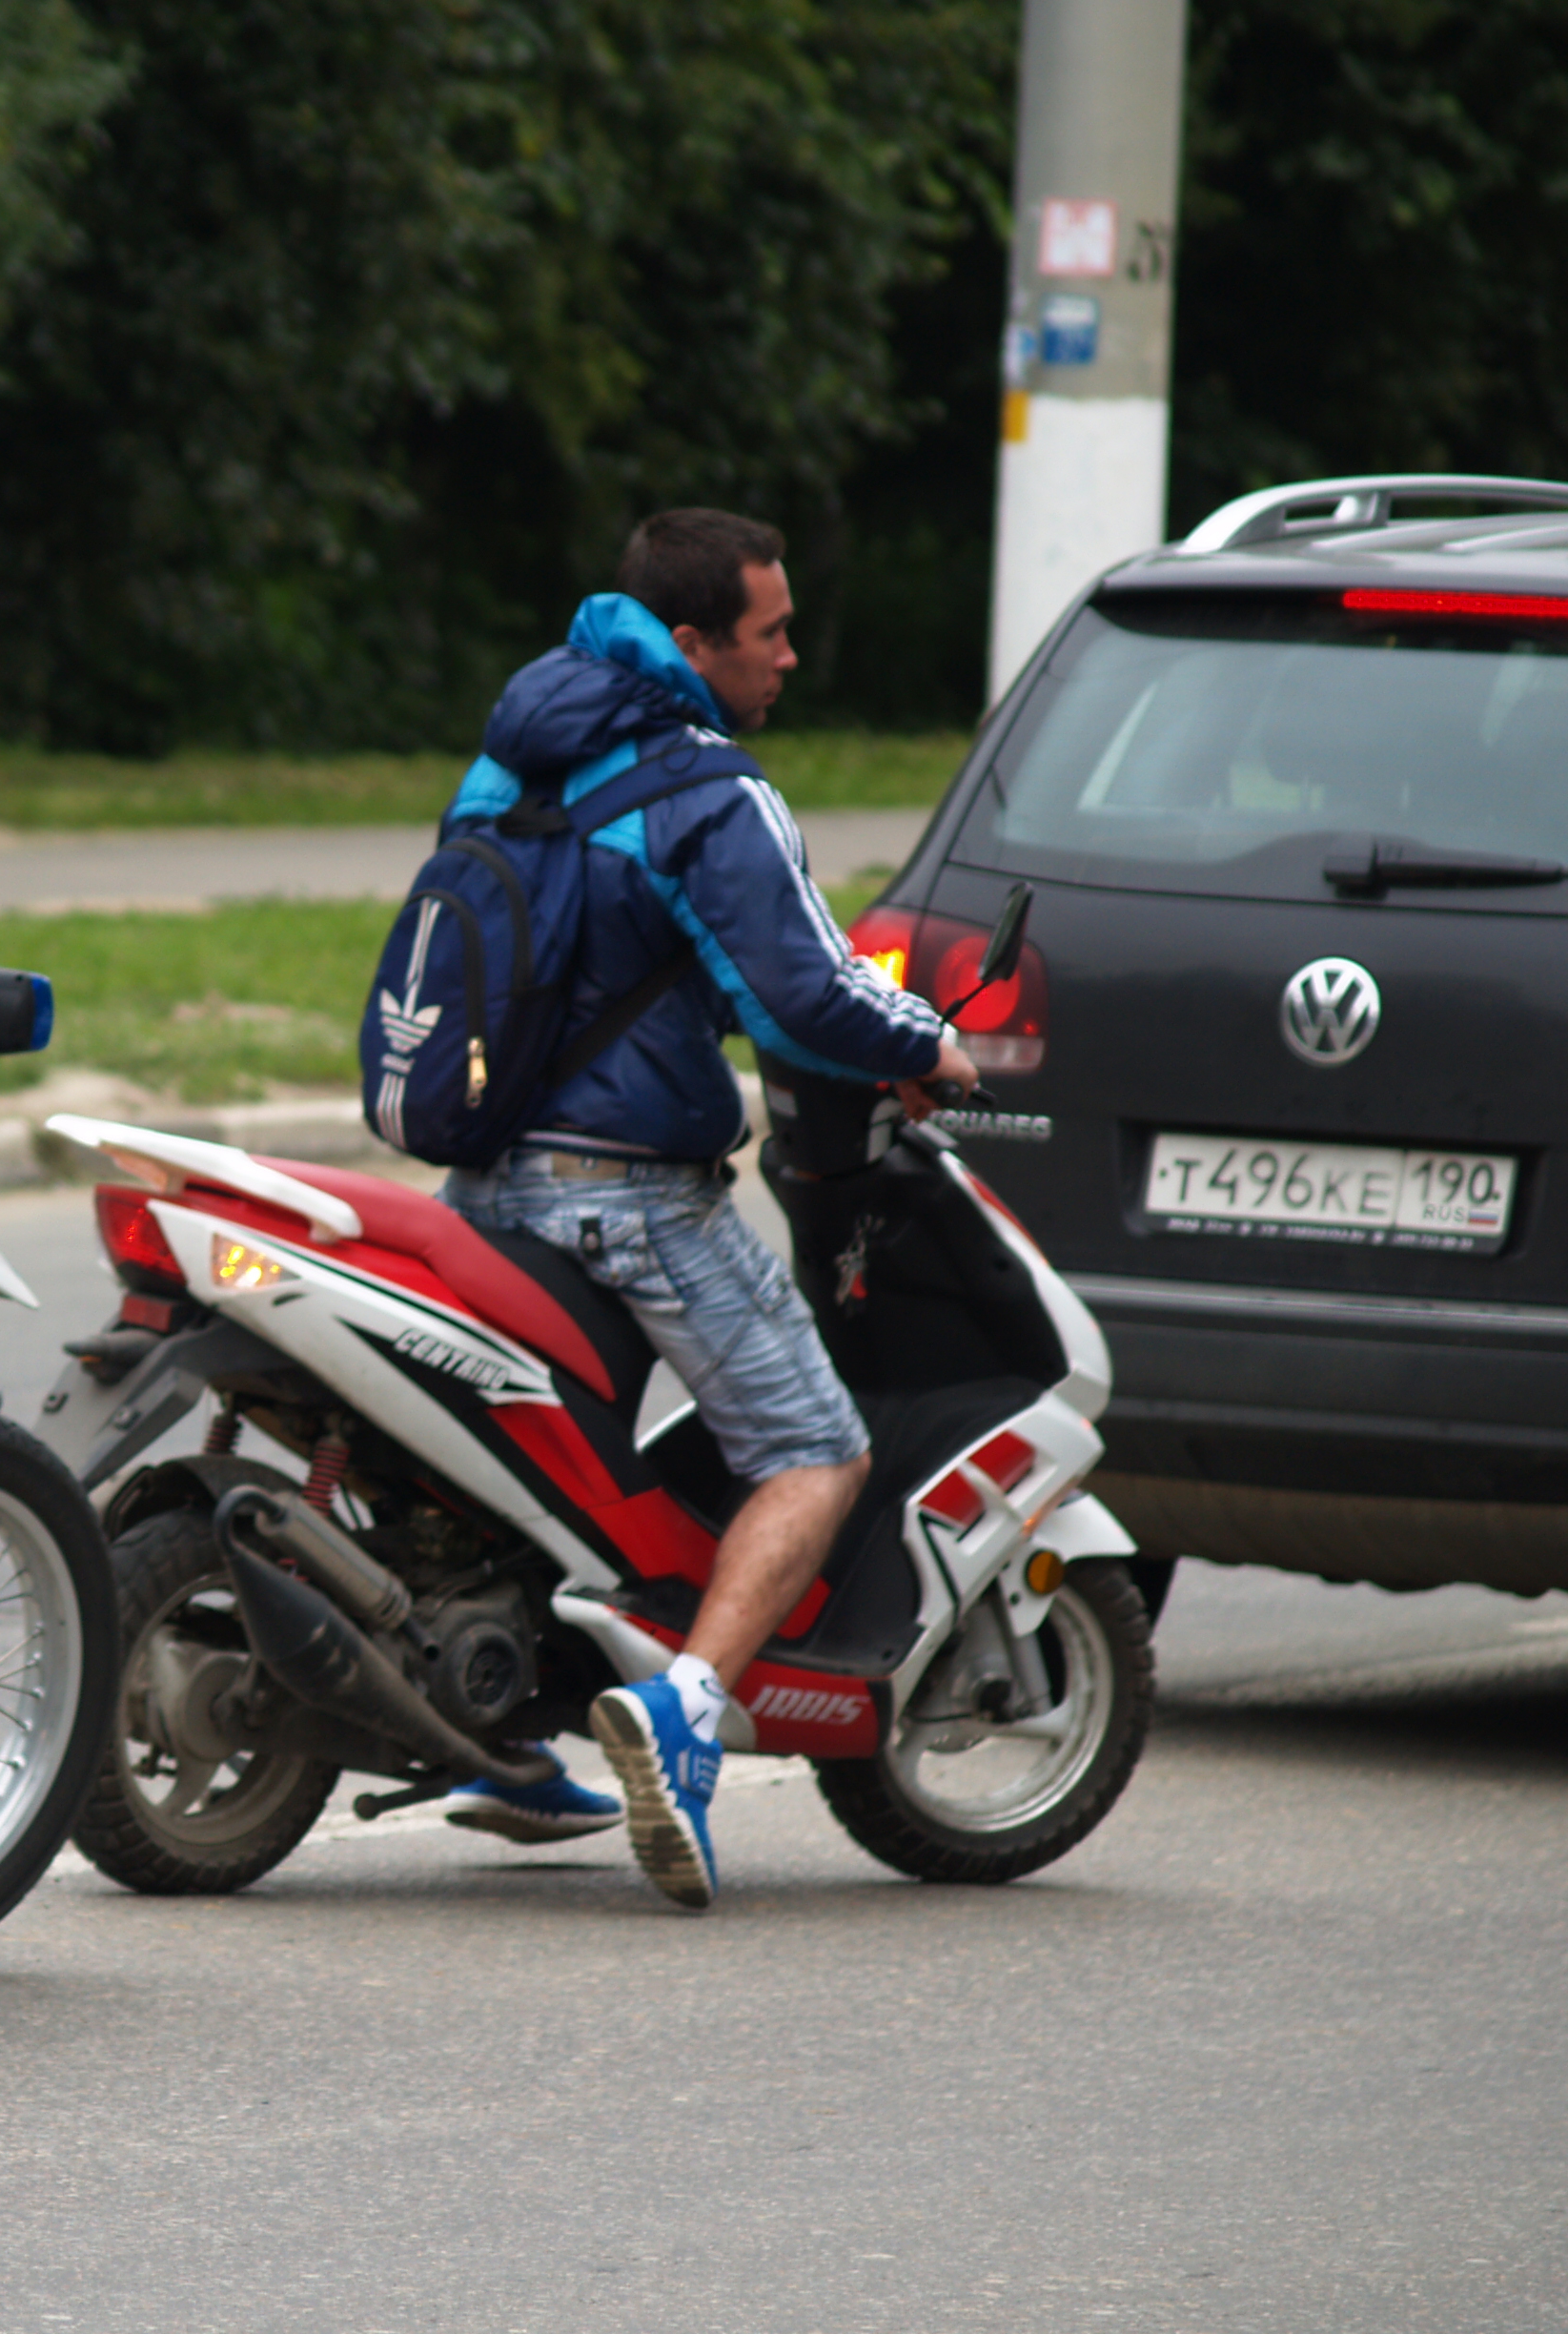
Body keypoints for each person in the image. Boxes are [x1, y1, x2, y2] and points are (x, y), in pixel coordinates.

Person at [437, 508, 975, 1910]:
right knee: (812, 1445)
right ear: (692, 645)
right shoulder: (704, 787)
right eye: (771, 632)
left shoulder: (514, 755)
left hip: (484, 1178)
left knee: (541, 1463)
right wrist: (925, 1047)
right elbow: (800, 986)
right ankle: (681, 1719)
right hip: (626, 1191)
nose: (792, 656)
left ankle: (491, 1730)